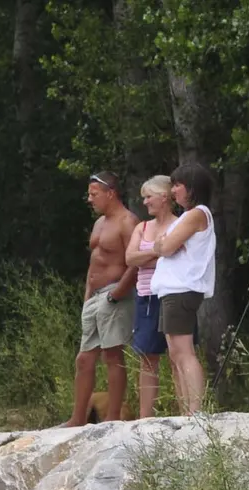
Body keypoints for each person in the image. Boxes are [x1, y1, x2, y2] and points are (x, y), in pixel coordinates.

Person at [68, 173, 139, 426]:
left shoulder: (127, 221)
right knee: (84, 358)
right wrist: (88, 295)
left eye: (94, 194)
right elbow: (94, 260)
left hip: (114, 295)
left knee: (112, 355)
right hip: (94, 297)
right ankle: (77, 419)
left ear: (111, 193)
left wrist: (118, 292)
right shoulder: (99, 223)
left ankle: (112, 418)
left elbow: (136, 261)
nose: (90, 199)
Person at [149, 163, 216, 416]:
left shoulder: (196, 214)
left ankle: (195, 411)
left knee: (184, 352)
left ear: (192, 187)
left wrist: (162, 244)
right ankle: (186, 409)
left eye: (178, 185)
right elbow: (164, 245)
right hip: (171, 290)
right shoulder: (191, 216)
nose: (173, 190)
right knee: (175, 353)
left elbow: (165, 248)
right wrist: (163, 244)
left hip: (182, 289)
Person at [125, 175, 178, 418]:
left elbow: (178, 255)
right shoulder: (142, 227)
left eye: (149, 197)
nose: (145, 202)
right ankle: (145, 417)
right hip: (145, 295)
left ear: (164, 197)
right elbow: (130, 259)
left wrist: (150, 255)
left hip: (171, 294)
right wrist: (158, 253)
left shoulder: (180, 224)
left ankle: (185, 411)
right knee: (147, 357)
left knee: (178, 354)